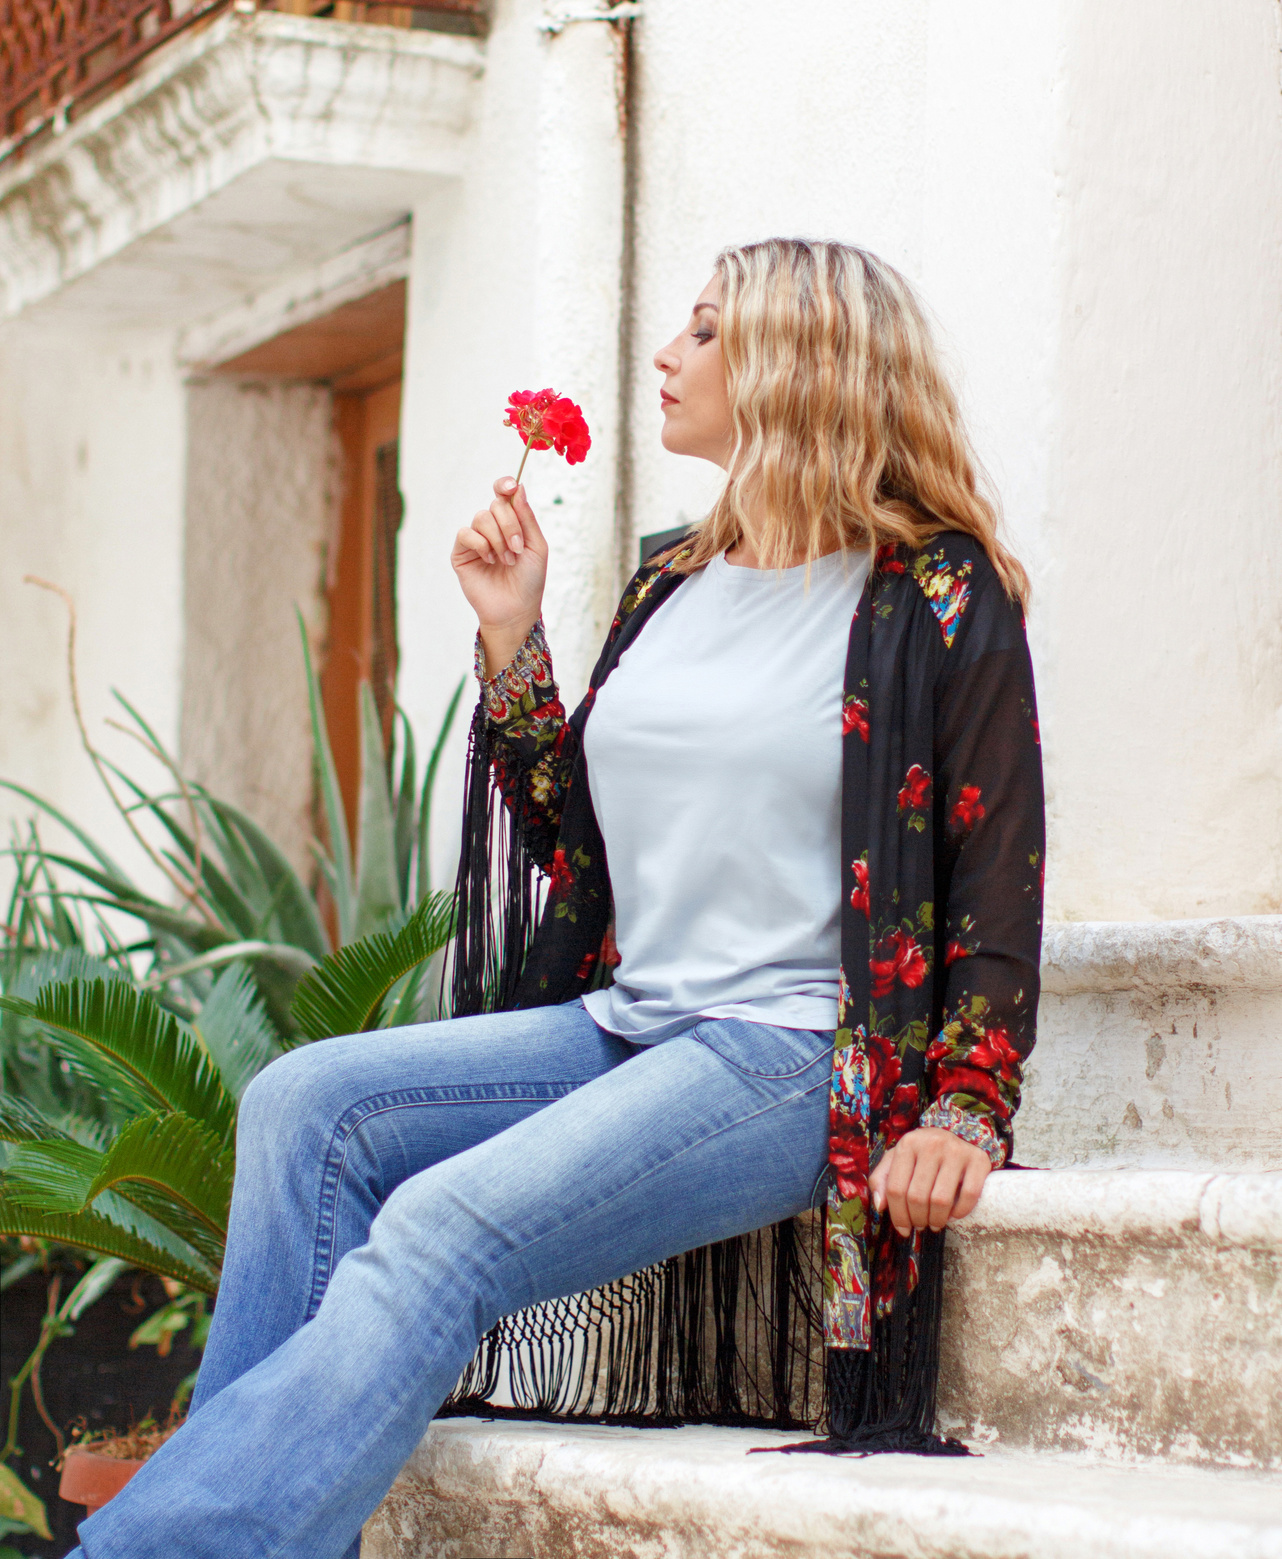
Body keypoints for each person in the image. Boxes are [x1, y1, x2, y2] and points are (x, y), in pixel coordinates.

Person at [67, 239, 1044, 1559]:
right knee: (303, 1102)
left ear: (796, 363)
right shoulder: (672, 580)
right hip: (633, 1022)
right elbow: (578, 841)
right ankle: (235, 1511)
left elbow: (997, 861)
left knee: (443, 1225)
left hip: (795, 1051)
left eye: (704, 332)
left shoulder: (932, 589)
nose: (667, 354)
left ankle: (159, 1544)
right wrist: (510, 637)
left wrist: (966, 1104)